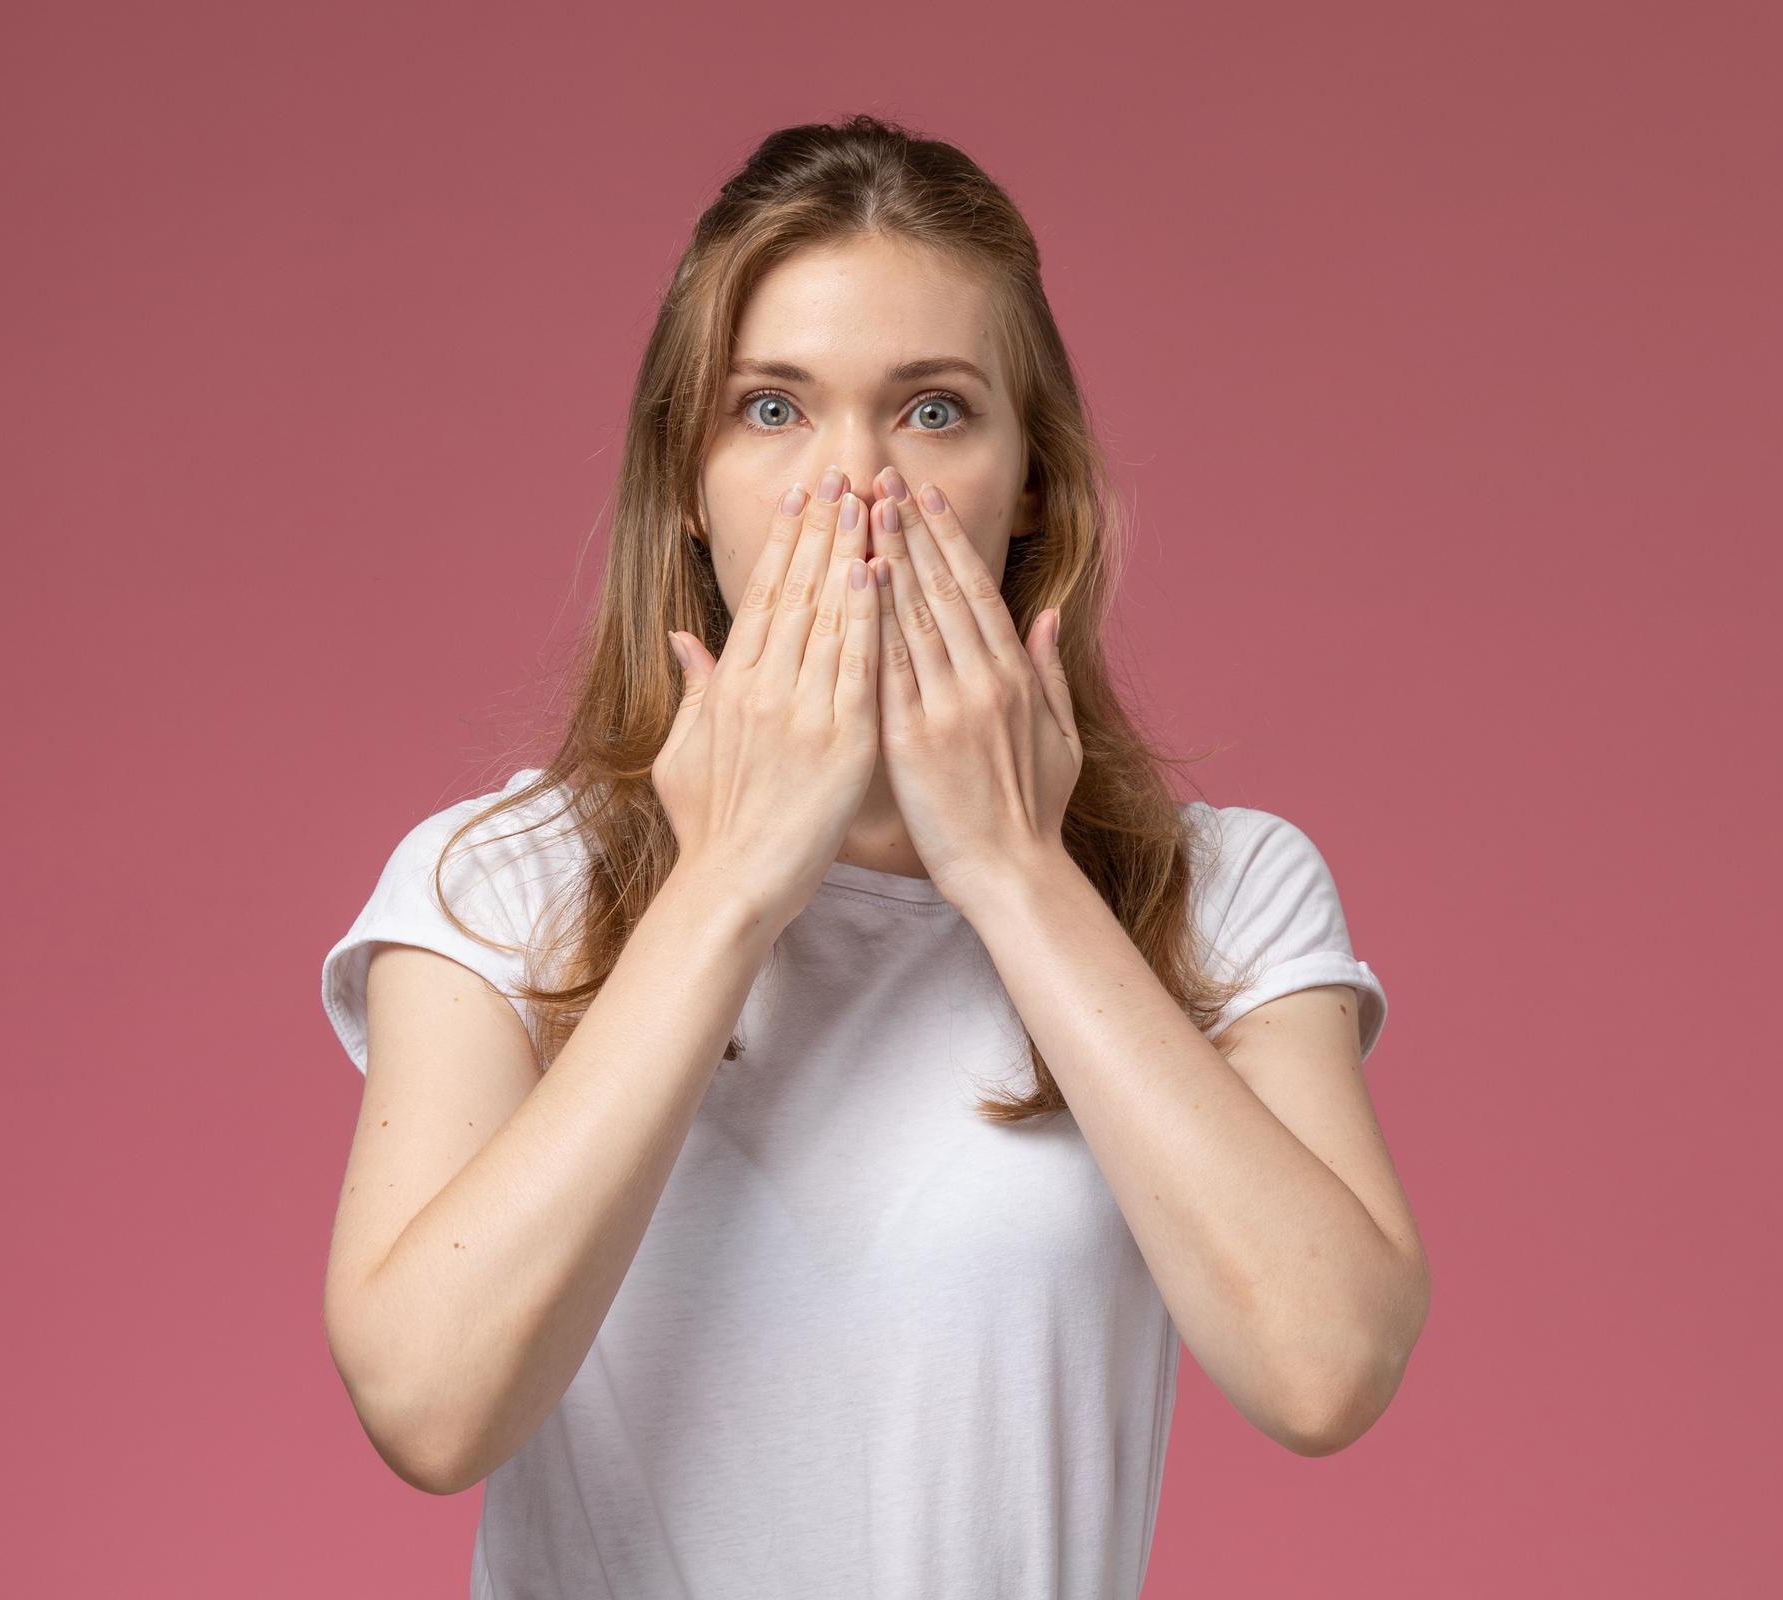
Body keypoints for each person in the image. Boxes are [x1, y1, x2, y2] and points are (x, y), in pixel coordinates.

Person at [316, 113, 1428, 1599]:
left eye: (934, 412)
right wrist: (728, 884)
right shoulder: (497, 883)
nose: (854, 493)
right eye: (771, 411)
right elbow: (429, 1408)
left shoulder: (1226, 890)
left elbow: (1327, 1368)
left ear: (1031, 481)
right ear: (689, 485)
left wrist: (1019, 874)